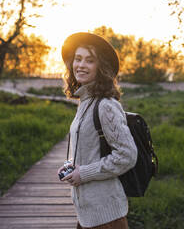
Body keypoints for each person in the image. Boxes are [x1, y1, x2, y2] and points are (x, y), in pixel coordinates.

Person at [57, 32, 138, 229]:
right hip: (87, 211)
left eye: (89, 60)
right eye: (78, 59)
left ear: (100, 67)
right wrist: (70, 165)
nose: (81, 65)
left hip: (106, 214)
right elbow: (90, 147)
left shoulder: (105, 105)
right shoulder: (86, 101)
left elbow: (127, 155)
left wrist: (82, 173)